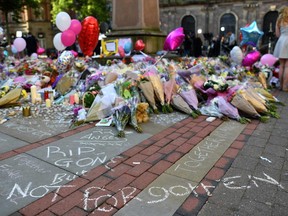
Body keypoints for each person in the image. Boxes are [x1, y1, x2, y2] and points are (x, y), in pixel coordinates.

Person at [273, 6, 288, 91]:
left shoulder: (279, 20)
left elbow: (277, 34)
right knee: (287, 66)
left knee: (281, 65)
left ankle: (280, 85)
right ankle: (285, 86)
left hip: (282, 41)